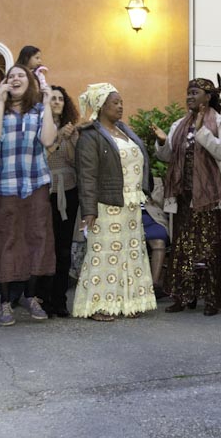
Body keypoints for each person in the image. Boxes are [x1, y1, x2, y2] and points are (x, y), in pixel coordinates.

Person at [72, 84, 157, 320]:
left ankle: (129, 302)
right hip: (106, 205)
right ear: (101, 106)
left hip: (131, 204)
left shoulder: (124, 130)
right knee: (104, 255)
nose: (120, 106)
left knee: (131, 253)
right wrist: (89, 210)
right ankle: (97, 306)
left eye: (121, 102)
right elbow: (87, 176)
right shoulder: (90, 136)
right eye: (115, 103)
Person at [154, 77, 221, 316]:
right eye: (188, 92)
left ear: (207, 97)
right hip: (184, 197)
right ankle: (183, 297)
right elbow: (167, 156)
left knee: (212, 248)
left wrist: (202, 131)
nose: (189, 96)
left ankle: (212, 299)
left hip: (213, 197)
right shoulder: (179, 124)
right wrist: (162, 142)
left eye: (195, 92)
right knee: (183, 247)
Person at [0, 64, 57, 326]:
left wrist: (46, 104)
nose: (15, 79)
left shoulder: (39, 110)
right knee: (7, 239)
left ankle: (31, 296)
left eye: (20, 76)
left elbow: (48, 140)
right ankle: (5, 301)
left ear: (29, 82)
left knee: (37, 237)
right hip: (6, 185)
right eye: (11, 76)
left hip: (36, 183)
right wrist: (0, 101)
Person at [45, 85, 80, 317]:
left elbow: (75, 162)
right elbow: (43, 156)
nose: (57, 102)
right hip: (46, 191)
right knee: (46, 246)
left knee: (64, 248)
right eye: (53, 98)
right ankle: (42, 297)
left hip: (68, 191)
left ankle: (60, 300)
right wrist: (58, 137)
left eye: (60, 99)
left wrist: (71, 139)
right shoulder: (41, 128)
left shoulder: (72, 130)